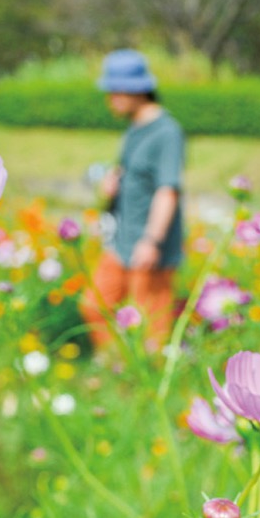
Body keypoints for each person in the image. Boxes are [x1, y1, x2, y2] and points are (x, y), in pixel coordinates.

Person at [79, 48, 186, 351]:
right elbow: (135, 173)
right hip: (121, 240)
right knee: (95, 305)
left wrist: (152, 240)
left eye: (114, 91)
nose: (110, 98)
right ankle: (117, 366)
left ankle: (142, 386)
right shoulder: (134, 129)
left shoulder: (167, 132)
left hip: (149, 246)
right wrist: (113, 181)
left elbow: (168, 190)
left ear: (136, 90)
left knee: (150, 327)